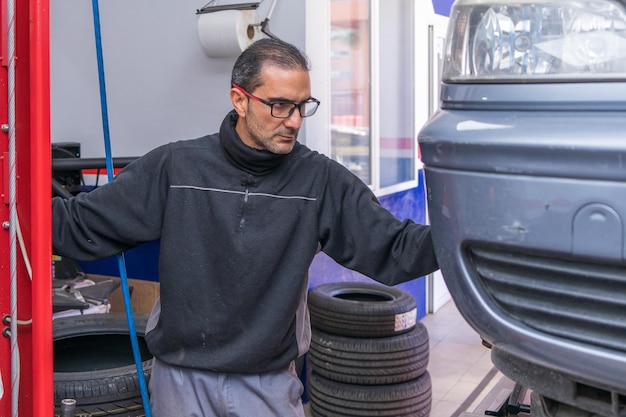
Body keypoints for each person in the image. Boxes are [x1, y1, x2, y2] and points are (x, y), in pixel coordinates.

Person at [52, 38, 439, 417]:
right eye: (280, 106)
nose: (294, 121)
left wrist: (469, 239)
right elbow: (79, 224)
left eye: (303, 106)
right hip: (180, 382)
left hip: (267, 385)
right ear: (239, 100)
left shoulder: (320, 181)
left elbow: (394, 248)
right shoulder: (177, 167)